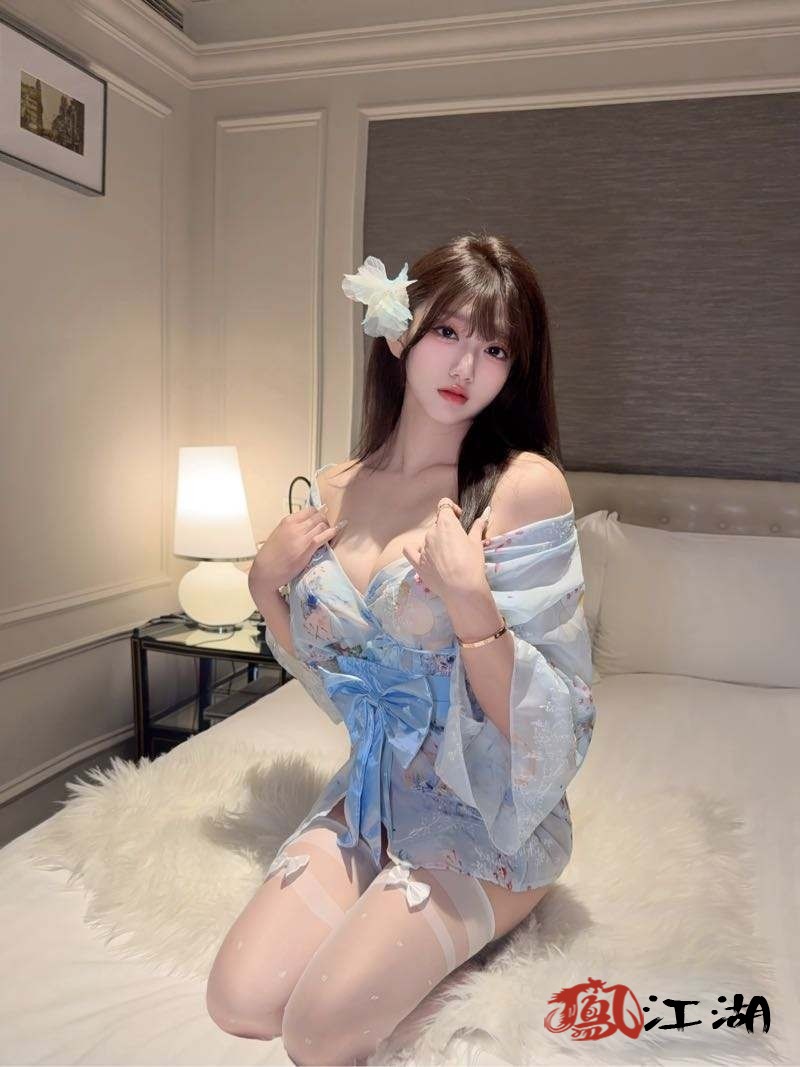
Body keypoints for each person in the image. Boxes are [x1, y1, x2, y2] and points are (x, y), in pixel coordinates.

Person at [206, 232, 596, 1066]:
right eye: (447, 331)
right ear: (399, 334)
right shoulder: (336, 485)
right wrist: (265, 587)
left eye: (496, 348)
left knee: (317, 1033)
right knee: (239, 1001)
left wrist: (471, 603)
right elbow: (335, 683)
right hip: (372, 794)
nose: (466, 365)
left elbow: (556, 727)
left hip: (484, 814)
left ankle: (483, 918)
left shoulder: (521, 487)